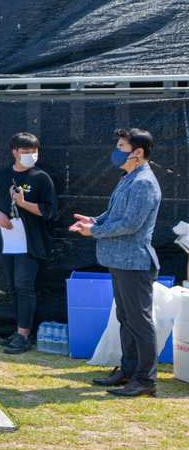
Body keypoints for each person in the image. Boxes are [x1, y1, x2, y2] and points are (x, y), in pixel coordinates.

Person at [70, 128, 163, 398]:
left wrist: (94, 232)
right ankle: (128, 370)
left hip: (135, 263)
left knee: (140, 321)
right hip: (120, 261)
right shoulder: (129, 178)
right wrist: (93, 221)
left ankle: (146, 380)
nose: (117, 150)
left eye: (121, 145)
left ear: (137, 152)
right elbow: (113, 214)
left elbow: (130, 224)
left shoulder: (144, 182)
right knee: (126, 318)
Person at [0, 132, 58, 354]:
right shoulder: (2, 176)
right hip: (9, 242)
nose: (31, 156)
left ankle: (24, 335)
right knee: (14, 288)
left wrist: (23, 204)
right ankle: (19, 330)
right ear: (14, 152)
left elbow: (49, 211)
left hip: (31, 243)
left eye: (34, 152)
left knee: (24, 286)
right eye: (26, 152)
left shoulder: (41, 178)